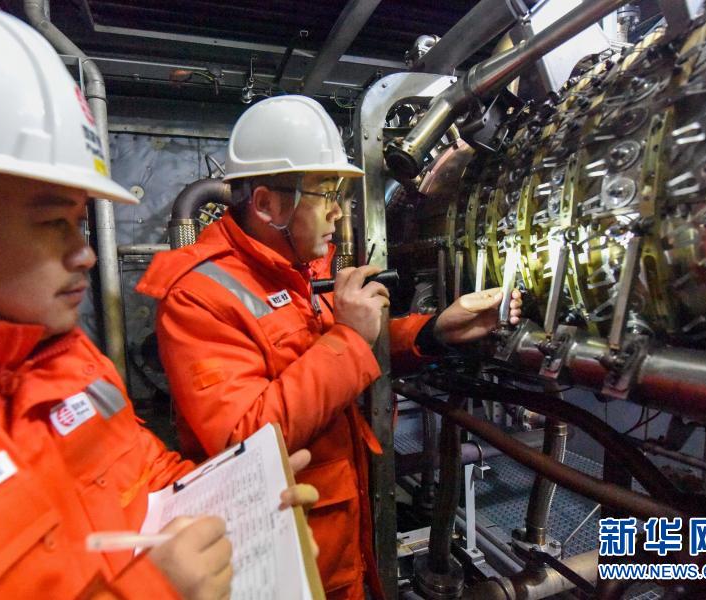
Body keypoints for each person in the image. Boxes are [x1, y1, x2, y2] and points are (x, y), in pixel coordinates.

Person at [0, 1, 316, 598]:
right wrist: (154, 592)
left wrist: (238, 510)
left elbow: (146, 477)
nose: (87, 255)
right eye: (53, 222)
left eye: (80, 221)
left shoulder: (62, 356)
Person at [138, 95, 522, 599]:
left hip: (343, 518)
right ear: (267, 204)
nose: (339, 212)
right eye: (325, 194)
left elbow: (341, 353)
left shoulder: (302, 266)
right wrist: (349, 337)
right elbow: (242, 437)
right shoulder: (198, 295)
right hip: (287, 544)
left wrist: (434, 331)